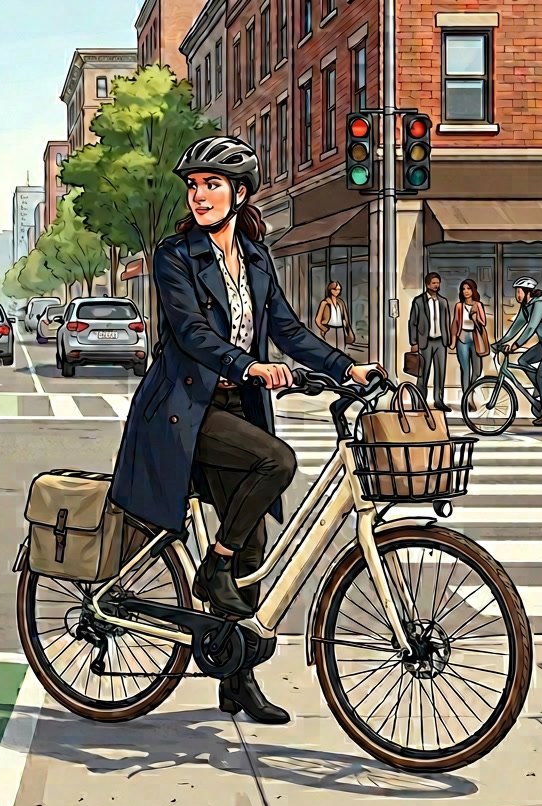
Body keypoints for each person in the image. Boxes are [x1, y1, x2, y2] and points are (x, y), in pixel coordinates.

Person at [110, 136, 382, 725]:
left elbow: (286, 328)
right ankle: (215, 564)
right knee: (277, 462)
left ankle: (237, 682)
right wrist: (250, 365)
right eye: (195, 186)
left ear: (239, 192)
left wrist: (345, 367)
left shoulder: (257, 259)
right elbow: (189, 335)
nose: (201, 196)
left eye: (213, 185)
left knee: (256, 544)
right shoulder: (175, 255)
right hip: (184, 410)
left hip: (236, 410)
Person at [496, 276, 542, 426]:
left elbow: (530, 328)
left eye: (519, 292)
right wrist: (499, 343)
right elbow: (515, 327)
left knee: (541, 375)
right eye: (516, 292)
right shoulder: (526, 307)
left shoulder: (539, 306)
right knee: (523, 361)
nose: (517, 295)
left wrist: (515, 345)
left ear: (528, 292)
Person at [408, 271, 453, 412]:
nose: (436, 285)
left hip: (441, 342)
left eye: (438, 283)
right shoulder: (418, 301)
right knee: (423, 374)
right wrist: (413, 342)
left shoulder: (443, 301)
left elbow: (447, 322)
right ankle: (420, 402)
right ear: (427, 284)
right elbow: (412, 323)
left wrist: (449, 340)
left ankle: (439, 400)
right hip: (424, 342)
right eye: (434, 283)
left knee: (440, 373)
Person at [453, 279, 489, 412]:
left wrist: (475, 316)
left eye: (468, 288)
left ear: (473, 290)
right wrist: (452, 340)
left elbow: (483, 323)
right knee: (465, 370)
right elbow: (455, 323)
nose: (466, 291)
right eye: (463, 289)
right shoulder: (458, 306)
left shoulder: (478, 305)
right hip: (462, 338)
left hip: (475, 338)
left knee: (477, 371)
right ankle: (467, 399)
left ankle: (471, 391)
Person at [314, 280, 354, 349]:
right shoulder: (324, 302)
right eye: (335, 289)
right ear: (330, 289)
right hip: (330, 330)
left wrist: (349, 332)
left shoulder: (341, 302)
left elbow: (346, 319)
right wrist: (325, 329)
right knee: (330, 350)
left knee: (341, 351)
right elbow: (317, 320)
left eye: (339, 289)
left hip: (341, 330)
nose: (337, 291)